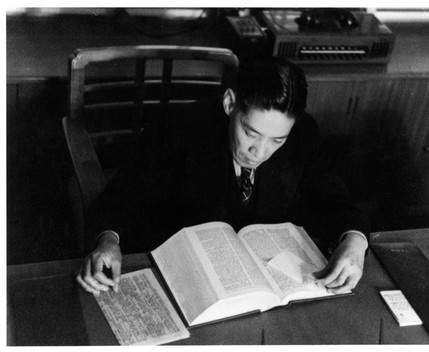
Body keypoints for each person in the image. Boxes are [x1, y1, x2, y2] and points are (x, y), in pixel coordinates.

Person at [76, 56, 370, 296]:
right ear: (230, 103)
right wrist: (108, 242)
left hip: (263, 284)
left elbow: (335, 198)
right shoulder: (177, 130)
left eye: (276, 141)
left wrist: (355, 242)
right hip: (185, 280)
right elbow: (122, 198)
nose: (260, 151)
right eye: (250, 132)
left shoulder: (302, 133)